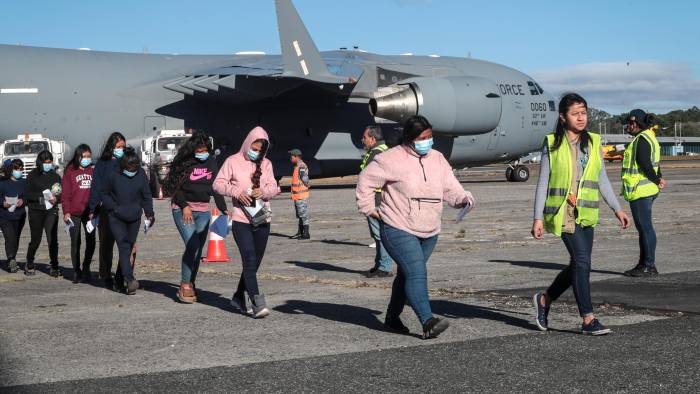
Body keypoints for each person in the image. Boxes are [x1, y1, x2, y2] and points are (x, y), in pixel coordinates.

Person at [357, 115, 475, 339]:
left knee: (407, 274)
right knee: (417, 272)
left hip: (430, 230)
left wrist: (463, 199)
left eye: (430, 137)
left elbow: (450, 187)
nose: (428, 142)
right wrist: (370, 208)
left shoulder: (438, 159)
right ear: (410, 139)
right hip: (397, 226)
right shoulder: (390, 159)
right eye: (423, 138)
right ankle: (428, 321)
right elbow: (365, 181)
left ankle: (392, 318)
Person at [531, 93, 631, 336]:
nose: (581, 118)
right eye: (575, 113)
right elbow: (543, 182)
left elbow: (602, 179)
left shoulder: (594, 142)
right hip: (563, 212)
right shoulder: (552, 143)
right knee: (583, 262)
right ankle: (588, 319)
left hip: (586, 212)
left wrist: (617, 208)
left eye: (584, 113)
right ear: (563, 117)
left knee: (578, 263)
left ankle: (545, 299)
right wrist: (537, 217)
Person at [214, 126, 279, 318]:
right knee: (249, 259)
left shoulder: (266, 164)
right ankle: (257, 302)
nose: (256, 152)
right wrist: (236, 192)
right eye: (254, 147)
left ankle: (238, 297)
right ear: (247, 143)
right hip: (241, 219)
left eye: (261, 150)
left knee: (254, 263)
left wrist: (264, 192)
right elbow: (217, 184)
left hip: (262, 218)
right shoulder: (232, 161)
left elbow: (274, 187)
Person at [163, 132, 229, 303]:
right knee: (192, 245)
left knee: (198, 249)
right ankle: (185, 284)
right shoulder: (184, 162)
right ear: (193, 149)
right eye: (199, 150)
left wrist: (223, 208)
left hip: (203, 210)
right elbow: (174, 187)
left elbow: (215, 186)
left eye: (205, 149)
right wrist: (185, 206)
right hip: (183, 208)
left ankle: (190, 283)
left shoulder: (211, 162)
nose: (202, 152)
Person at [99, 147, 154, 295]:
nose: (133, 169)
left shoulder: (141, 174)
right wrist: (114, 208)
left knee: (129, 248)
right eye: (130, 166)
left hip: (134, 217)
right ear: (123, 165)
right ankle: (129, 279)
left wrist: (149, 213)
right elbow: (104, 194)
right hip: (116, 217)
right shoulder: (113, 174)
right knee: (123, 246)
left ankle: (118, 279)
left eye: (135, 166)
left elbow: (146, 195)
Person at [620, 109, 665, 277]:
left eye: (630, 123)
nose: (628, 126)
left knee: (645, 228)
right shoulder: (650, 137)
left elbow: (645, 164)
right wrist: (659, 177)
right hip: (648, 190)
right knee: (645, 228)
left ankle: (648, 265)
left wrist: (656, 179)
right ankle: (644, 263)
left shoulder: (641, 140)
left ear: (637, 123)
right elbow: (655, 163)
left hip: (641, 191)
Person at [89, 132, 126, 291]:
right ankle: (105, 274)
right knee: (106, 243)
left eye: (123, 147)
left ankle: (121, 275)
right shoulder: (102, 164)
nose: (121, 150)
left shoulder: (126, 162)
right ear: (111, 147)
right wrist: (93, 208)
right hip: (106, 209)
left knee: (125, 244)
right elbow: (96, 187)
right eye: (118, 147)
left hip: (124, 208)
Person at [359, 125, 394, 278]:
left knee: (380, 234)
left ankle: (384, 266)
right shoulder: (384, 151)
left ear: (373, 139)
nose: (363, 140)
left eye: (365, 137)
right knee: (378, 234)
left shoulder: (377, 154)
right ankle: (379, 264)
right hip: (379, 199)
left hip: (376, 200)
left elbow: (369, 177)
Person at [24, 150, 62, 277]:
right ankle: (29, 261)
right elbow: (27, 194)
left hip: (51, 211)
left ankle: (55, 265)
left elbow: (61, 193)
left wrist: (57, 198)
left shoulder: (55, 176)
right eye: (46, 162)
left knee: (52, 240)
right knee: (36, 239)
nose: (48, 164)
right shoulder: (32, 175)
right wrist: (42, 197)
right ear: (40, 163)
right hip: (36, 211)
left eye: (50, 162)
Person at [62, 144, 96, 284]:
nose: (87, 159)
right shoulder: (70, 171)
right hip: (74, 213)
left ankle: (86, 266)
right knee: (75, 241)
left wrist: (95, 210)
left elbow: (96, 191)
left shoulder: (92, 171)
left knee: (91, 241)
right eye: (84, 156)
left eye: (89, 156)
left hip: (89, 213)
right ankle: (76, 270)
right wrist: (66, 212)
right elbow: (65, 194)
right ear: (78, 156)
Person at [0, 159, 27, 273]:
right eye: (16, 169)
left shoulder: (24, 183)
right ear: (11, 170)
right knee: (9, 237)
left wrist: (23, 200)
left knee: (15, 238)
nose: (19, 171)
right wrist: (2, 203)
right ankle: (11, 259)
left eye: (21, 169)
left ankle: (13, 258)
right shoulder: (2, 183)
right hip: (4, 215)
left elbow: (29, 197)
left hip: (19, 216)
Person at [288, 149, 310, 240]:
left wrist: (307, 184)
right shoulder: (297, 166)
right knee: (300, 215)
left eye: (292, 156)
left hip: (301, 196)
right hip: (297, 196)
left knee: (303, 215)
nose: (290, 158)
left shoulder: (301, 166)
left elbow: (305, 178)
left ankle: (306, 234)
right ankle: (300, 233)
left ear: (296, 156)